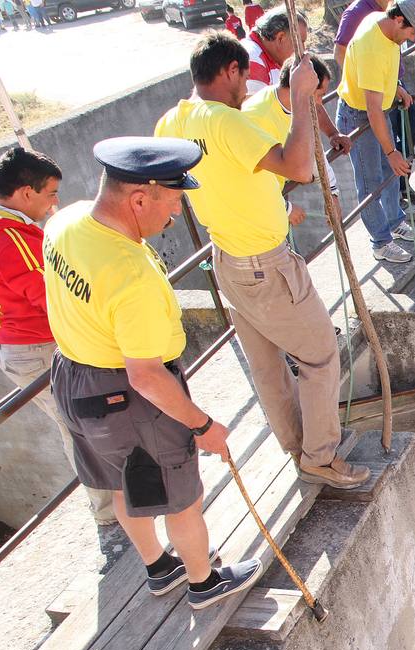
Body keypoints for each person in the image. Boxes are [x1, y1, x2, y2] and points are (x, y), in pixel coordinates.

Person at [44, 137, 263, 609]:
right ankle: (204, 582)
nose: (173, 216)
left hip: (73, 376)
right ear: (139, 198)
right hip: (129, 394)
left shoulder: (64, 222)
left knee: (119, 478)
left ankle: (159, 567)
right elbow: (145, 376)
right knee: (181, 493)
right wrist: (203, 425)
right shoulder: (130, 275)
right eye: (173, 202)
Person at [155, 32, 370, 489]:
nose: (247, 87)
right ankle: (321, 457)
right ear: (229, 70)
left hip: (227, 258)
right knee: (320, 356)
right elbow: (298, 167)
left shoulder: (172, 121)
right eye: (244, 77)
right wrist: (303, 104)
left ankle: (299, 446)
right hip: (265, 263)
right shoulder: (226, 121)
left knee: (268, 364)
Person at [0, 147, 116, 525]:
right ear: (25, 193)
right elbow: (51, 294)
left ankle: (108, 505)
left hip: (15, 345)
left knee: (74, 424)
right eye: (50, 194)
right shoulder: (10, 238)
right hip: (38, 348)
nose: (54, 204)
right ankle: (109, 512)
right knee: (82, 427)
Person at [336, 0, 415, 262]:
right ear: (399, 20)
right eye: (411, 34)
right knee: (370, 182)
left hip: (378, 110)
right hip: (359, 115)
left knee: (389, 172)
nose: (410, 40)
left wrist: (395, 87)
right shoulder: (371, 45)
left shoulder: (385, 27)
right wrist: (390, 150)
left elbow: (380, 80)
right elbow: (372, 109)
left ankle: (394, 222)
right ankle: (381, 243)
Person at [243, 54, 342, 226]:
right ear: (303, 86)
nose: (320, 103)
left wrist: (332, 194)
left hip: (273, 201)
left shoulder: (298, 107)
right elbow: (248, 179)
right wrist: (284, 208)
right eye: (319, 95)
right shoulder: (258, 117)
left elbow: (313, 151)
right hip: (257, 214)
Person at [242, 7, 349, 157]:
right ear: (280, 38)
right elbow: (253, 125)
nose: (303, 50)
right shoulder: (252, 59)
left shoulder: (276, 56)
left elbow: (309, 97)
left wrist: (332, 133)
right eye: (301, 42)